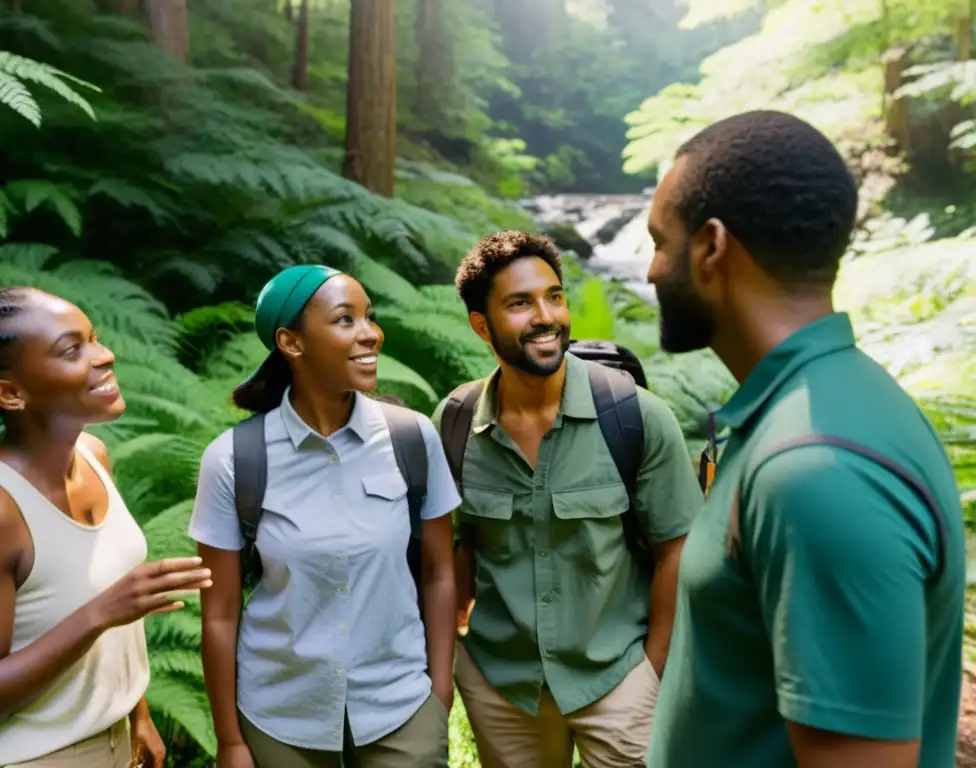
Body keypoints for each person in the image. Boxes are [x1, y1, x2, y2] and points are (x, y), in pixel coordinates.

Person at [644, 110, 966, 768]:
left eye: (658, 241)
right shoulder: (815, 410)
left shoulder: (818, 469)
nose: (650, 270)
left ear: (711, 247)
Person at [433, 231, 704, 768]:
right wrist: (459, 656)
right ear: (481, 325)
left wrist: (653, 669)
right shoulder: (457, 423)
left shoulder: (638, 417)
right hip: (505, 689)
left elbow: (678, 549)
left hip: (620, 677)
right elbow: (458, 547)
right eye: (519, 303)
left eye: (554, 296)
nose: (546, 316)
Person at [189, 264, 460, 768]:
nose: (371, 334)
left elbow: (440, 573)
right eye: (345, 320)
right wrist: (229, 741)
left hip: (399, 708)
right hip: (280, 716)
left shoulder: (412, 438)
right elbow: (220, 613)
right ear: (291, 342)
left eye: (370, 318)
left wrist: (437, 694)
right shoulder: (234, 459)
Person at [0, 287, 212, 768]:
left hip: (113, 741)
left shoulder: (93, 456)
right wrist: (103, 611)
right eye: (73, 350)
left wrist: (137, 715)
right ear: (10, 393)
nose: (105, 356)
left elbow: (105, 630)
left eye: (94, 338)